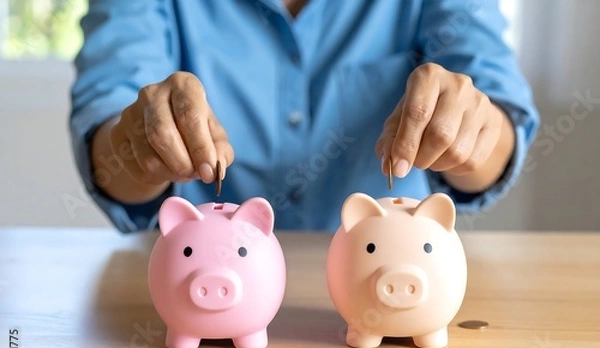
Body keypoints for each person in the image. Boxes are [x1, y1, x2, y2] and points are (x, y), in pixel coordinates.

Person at [70, 0, 539, 233]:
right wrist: (140, 144)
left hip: (387, 283)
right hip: (195, 296)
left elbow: (498, 122)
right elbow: (108, 124)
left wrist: (474, 130)